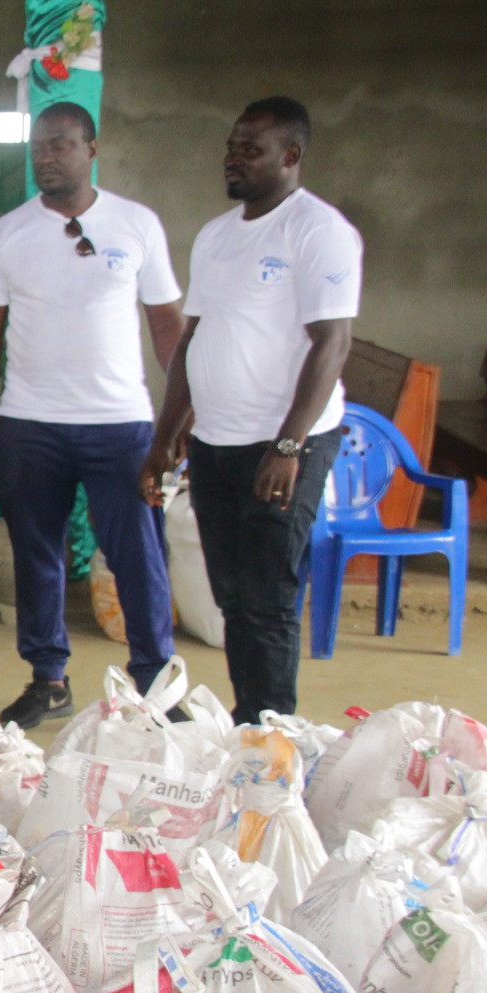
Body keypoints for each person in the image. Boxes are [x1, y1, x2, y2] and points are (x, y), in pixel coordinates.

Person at [0, 101, 186, 728]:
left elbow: (168, 328)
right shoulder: (7, 234)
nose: (46, 155)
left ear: (92, 147)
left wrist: (183, 416)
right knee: (37, 557)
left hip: (122, 424)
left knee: (138, 555)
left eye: (60, 144)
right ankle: (48, 679)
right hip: (30, 425)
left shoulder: (137, 225)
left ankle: (153, 686)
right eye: (38, 145)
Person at [141, 96, 360, 724]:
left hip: (285, 447)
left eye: (250, 149)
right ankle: (250, 722)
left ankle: (273, 734)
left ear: (290, 157)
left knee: (268, 598)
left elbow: (333, 342)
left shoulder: (317, 231)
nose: (232, 160)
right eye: (231, 146)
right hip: (216, 443)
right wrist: (166, 438)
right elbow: (193, 338)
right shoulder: (216, 235)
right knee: (233, 596)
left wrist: (288, 446)